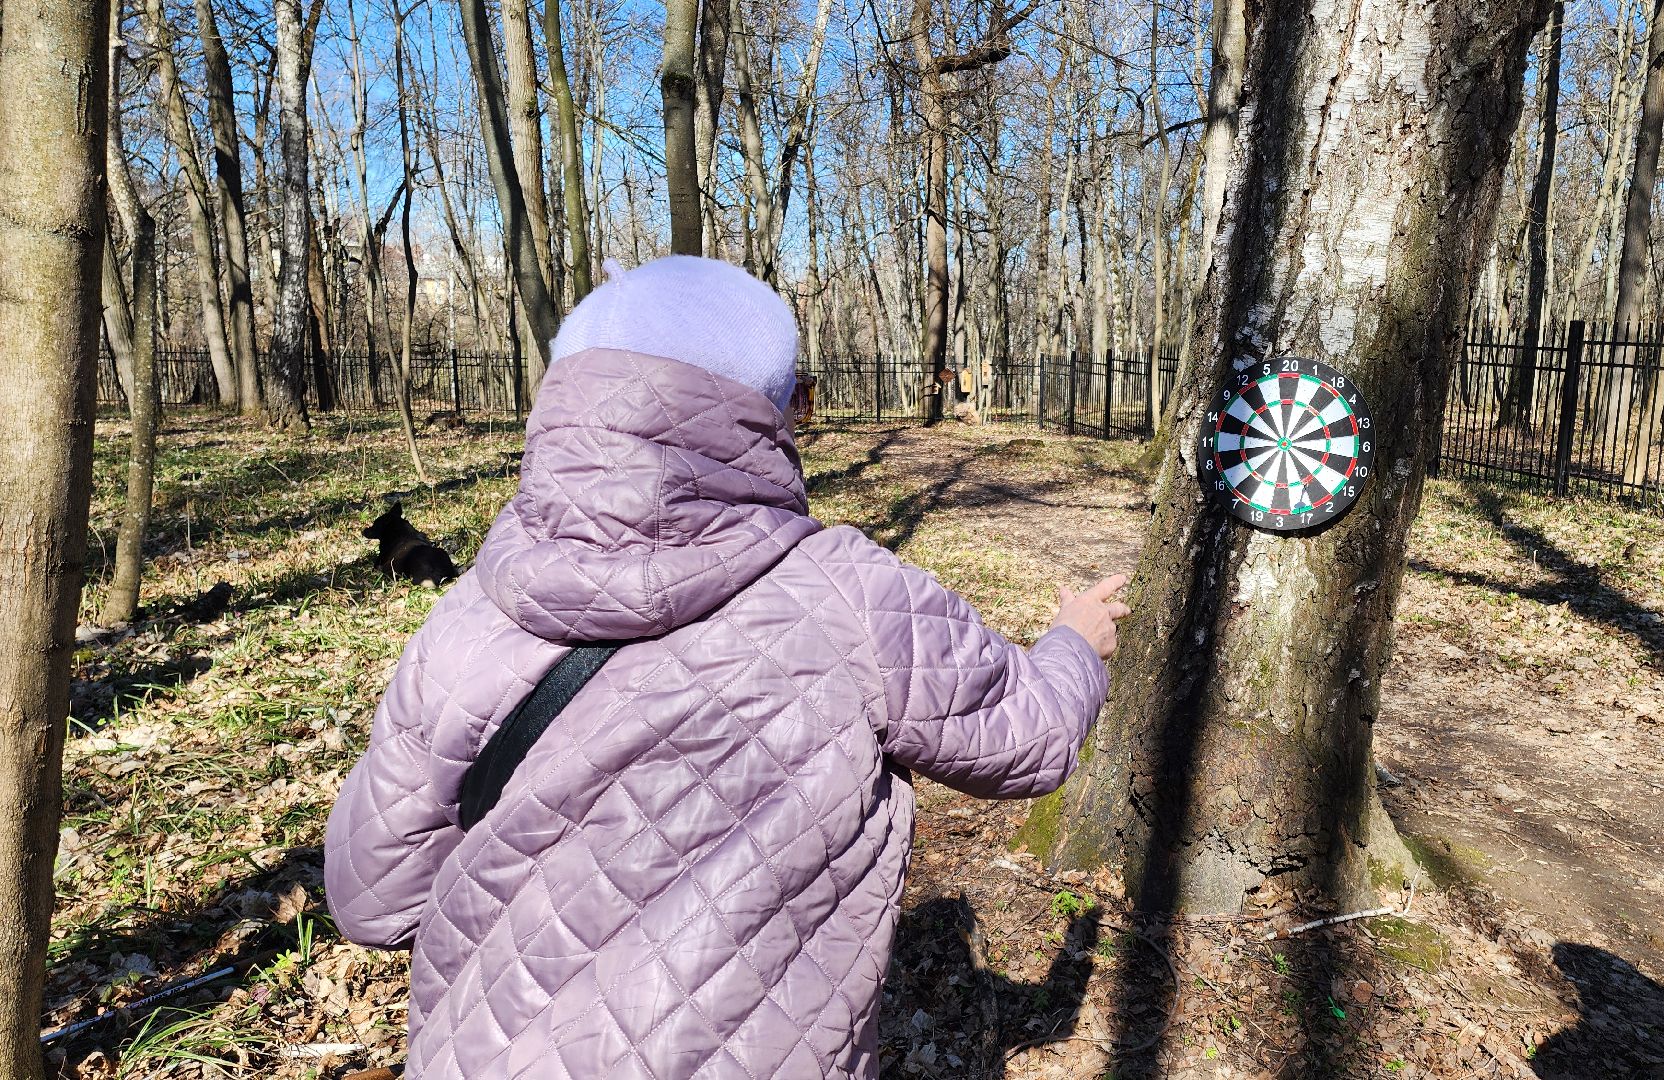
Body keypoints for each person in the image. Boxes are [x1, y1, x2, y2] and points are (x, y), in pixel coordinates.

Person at [324, 256, 1126, 1079]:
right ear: (762, 417)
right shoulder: (847, 596)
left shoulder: (470, 614)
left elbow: (374, 899)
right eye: (798, 400)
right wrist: (1074, 638)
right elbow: (1028, 735)